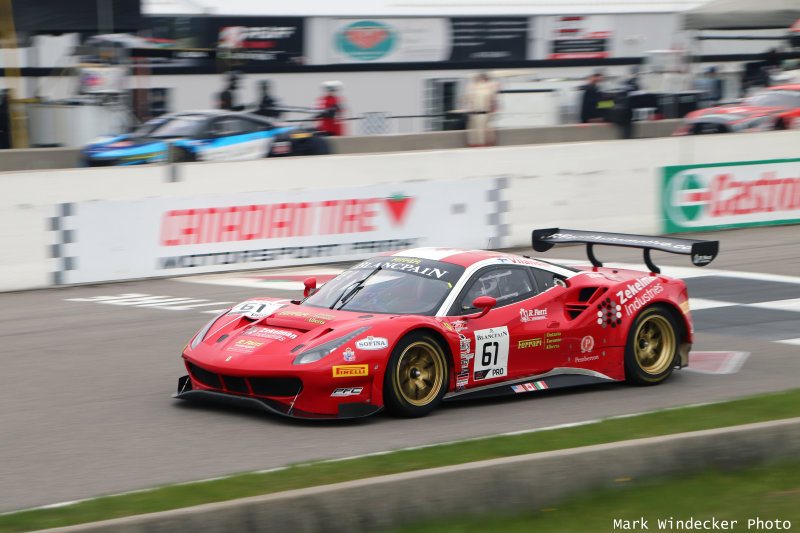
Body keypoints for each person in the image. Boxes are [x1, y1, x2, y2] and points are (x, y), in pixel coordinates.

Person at [461, 72, 499, 147]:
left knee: (482, 132)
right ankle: (476, 145)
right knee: (474, 132)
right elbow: (466, 100)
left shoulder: (489, 87)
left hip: (484, 113)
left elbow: (493, 100)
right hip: (475, 113)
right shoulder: (474, 88)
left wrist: (493, 111)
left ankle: (483, 145)